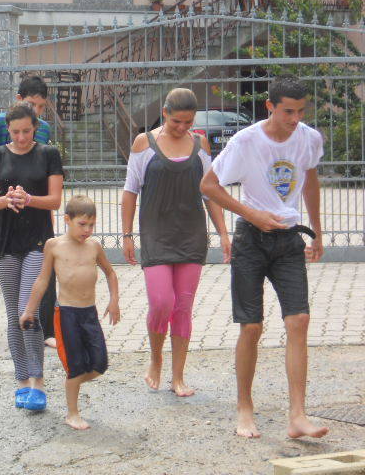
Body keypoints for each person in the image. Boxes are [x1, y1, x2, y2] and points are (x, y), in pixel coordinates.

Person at [201, 75, 328, 439]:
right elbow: (208, 186)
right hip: (250, 240)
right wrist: (253, 214)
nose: (295, 119)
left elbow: (310, 180)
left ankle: (297, 416)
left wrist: (316, 231)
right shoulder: (246, 141)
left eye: (301, 111)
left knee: (298, 320)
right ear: (270, 107)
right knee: (252, 326)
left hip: (288, 240)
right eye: (288, 111)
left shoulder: (309, 138)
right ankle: (244, 406)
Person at [121, 88, 231, 397]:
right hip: (155, 235)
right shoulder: (145, 143)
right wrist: (127, 234)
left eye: (188, 122)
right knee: (161, 303)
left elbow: (211, 192)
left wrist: (223, 232)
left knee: (182, 307)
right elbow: (130, 190)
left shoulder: (200, 146)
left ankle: (178, 376)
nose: (182, 128)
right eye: (177, 122)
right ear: (165, 113)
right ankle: (155, 360)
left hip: (191, 235)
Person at [0, 75, 58, 347]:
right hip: (1, 210)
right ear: (19, 100)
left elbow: (46, 173)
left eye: (42, 107)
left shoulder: (42, 129)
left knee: (44, 267)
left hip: (34, 211)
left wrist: (41, 205)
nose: (36, 112)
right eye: (32, 104)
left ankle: (47, 330)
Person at [0, 102, 64, 411]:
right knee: (12, 312)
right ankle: (21, 382)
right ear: (8, 130)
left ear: (35, 127)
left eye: (26, 131)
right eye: (15, 132)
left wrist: (29, 199)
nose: (20, 138)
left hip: (37, 241)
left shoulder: (48, 154)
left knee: (26, 310)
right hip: (4, 242)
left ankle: (38, 381)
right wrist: (6, 200)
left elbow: (55, 201)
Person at [20, 195, 120, 430]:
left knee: (99, 364)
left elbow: (111, 273)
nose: (87, 230)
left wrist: (114, 300)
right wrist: (29, 311)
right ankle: (72, 412)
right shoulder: (54, 246)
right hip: (66, 314)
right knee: (75, 365)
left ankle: (70, 385)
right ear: (67, 219)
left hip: (89, 313)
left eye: (91, 225)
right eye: (82, 224)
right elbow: (42, 281)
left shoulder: (94, 246)